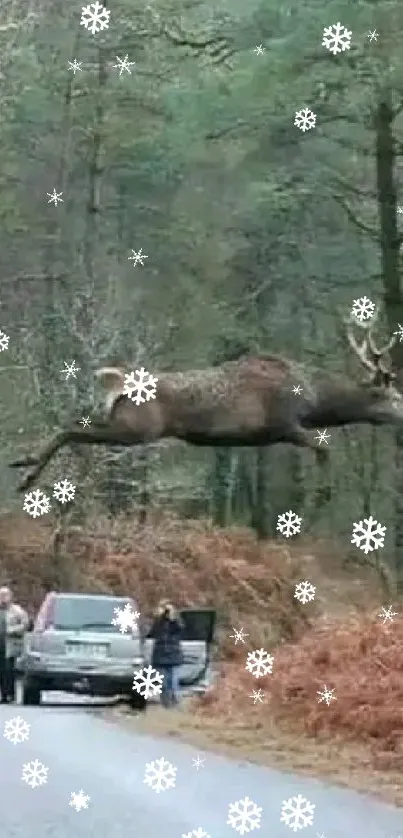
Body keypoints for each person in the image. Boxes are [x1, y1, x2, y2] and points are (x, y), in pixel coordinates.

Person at [150, 599, 184, 708]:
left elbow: (181, 628)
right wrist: (158, 618)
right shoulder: (157, 621)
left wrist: (173, 618)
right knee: (163, 683)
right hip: (160, 657)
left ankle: (175, 704)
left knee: (174, 683)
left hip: (174, 656)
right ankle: (166, 704)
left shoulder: (176, 621)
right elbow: (152, 633)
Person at [0, 586, 29, 703]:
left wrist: (13, 630)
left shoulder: (17, 610)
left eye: (5, 595)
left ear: (10, 597)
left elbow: (25, 624)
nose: (2, 598)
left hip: (10, 645)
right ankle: (3, 695)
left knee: (8, 671)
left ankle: (10, 695)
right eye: (1, 595)